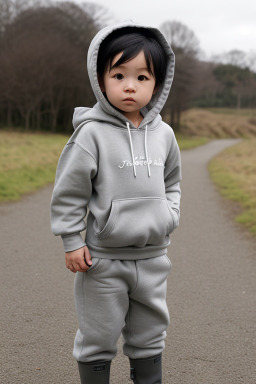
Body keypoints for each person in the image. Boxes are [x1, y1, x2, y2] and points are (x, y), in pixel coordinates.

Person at [51, 20, 181, 384]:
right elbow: (69, 191)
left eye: (142, 77)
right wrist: (72, 241)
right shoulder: (91, 134)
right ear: (100, 78)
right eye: (119, 74)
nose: (129, 85)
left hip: (154, 258)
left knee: (150, 335)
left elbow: (173, 180)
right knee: (98, 336)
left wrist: (170, 214)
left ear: (158, 83)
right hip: (103, 261)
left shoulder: (164, 134)